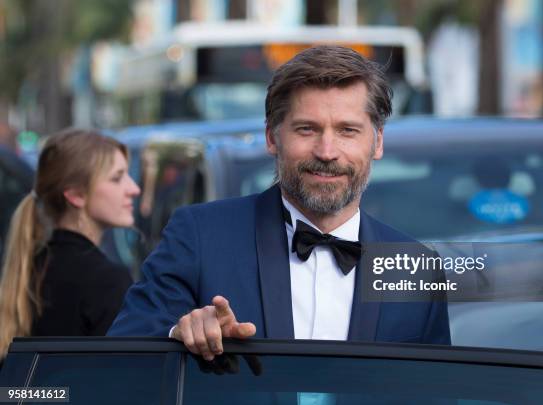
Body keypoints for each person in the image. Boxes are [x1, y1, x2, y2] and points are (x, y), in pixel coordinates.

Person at [108, 46, 450, 359]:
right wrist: (179, 332)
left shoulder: (416, 267)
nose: (327, 152)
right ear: (273, 137)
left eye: (348, 130)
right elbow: (123, 348)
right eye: (306, 129)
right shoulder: (199, 236)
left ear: (377, 143)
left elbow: (437, 394)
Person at [0, 129, 141, 359]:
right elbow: (117, 385)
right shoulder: (106, 280)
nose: (134, 189)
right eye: (117, 178)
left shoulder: (28, 266)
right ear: (76, 195)